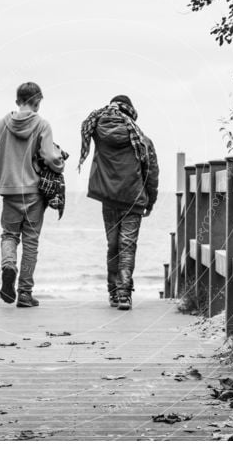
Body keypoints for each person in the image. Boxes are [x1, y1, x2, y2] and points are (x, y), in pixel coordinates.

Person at [0, 82, 65, 308]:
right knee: (31, 242)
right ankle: (25, 294)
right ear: (38, 101)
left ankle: (8, 266)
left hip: (9, 191)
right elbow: (50, 158)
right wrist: (60, 163)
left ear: (17, 101)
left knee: (9, 235)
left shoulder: (3, 124)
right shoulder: (42, 125)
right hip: (33, 192)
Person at [79, 95, 159, 310]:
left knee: (113, 245)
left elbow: (93, 125)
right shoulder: (141, 139)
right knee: (127, 246)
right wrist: (150, 201)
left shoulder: (97, 132)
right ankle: (124, 294)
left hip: (108, 198)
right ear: (130, 112)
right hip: (133, 199)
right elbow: (151, 171)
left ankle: (113, 293)